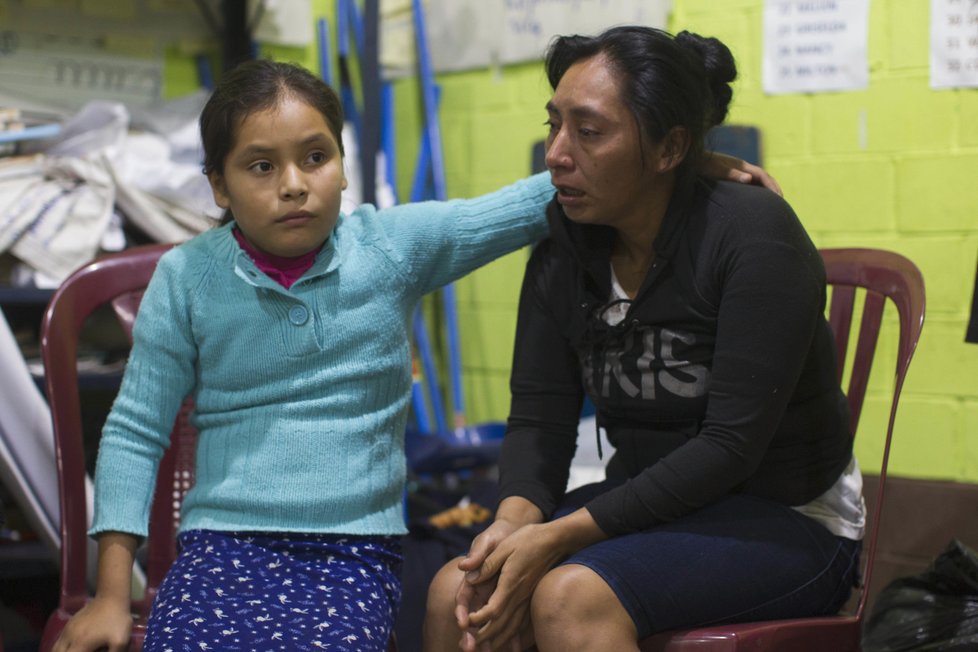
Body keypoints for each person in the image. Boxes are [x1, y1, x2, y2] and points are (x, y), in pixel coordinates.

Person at [50, 58, 773, 652]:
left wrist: (677, 164)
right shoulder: (188, 277)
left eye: (315, 157)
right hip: (220, 549)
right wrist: (113, 594)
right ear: (218, 185)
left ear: (342, 161)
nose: (295, 184)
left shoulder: (389, 249)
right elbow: (136, 430)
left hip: (351, 555)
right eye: (260, 167)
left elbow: (533, 200)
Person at [424, 26, 865, 652]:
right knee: (457, 591)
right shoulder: (564, 250)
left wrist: (557, 537)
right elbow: (539, 422)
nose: (555, 152)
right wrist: (512, 525)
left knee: (569, 598)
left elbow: (728, 448)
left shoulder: (752, 236)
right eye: (554, 125)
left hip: (788, 519)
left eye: (589, 130)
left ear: (670, 148)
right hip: (651, 503)